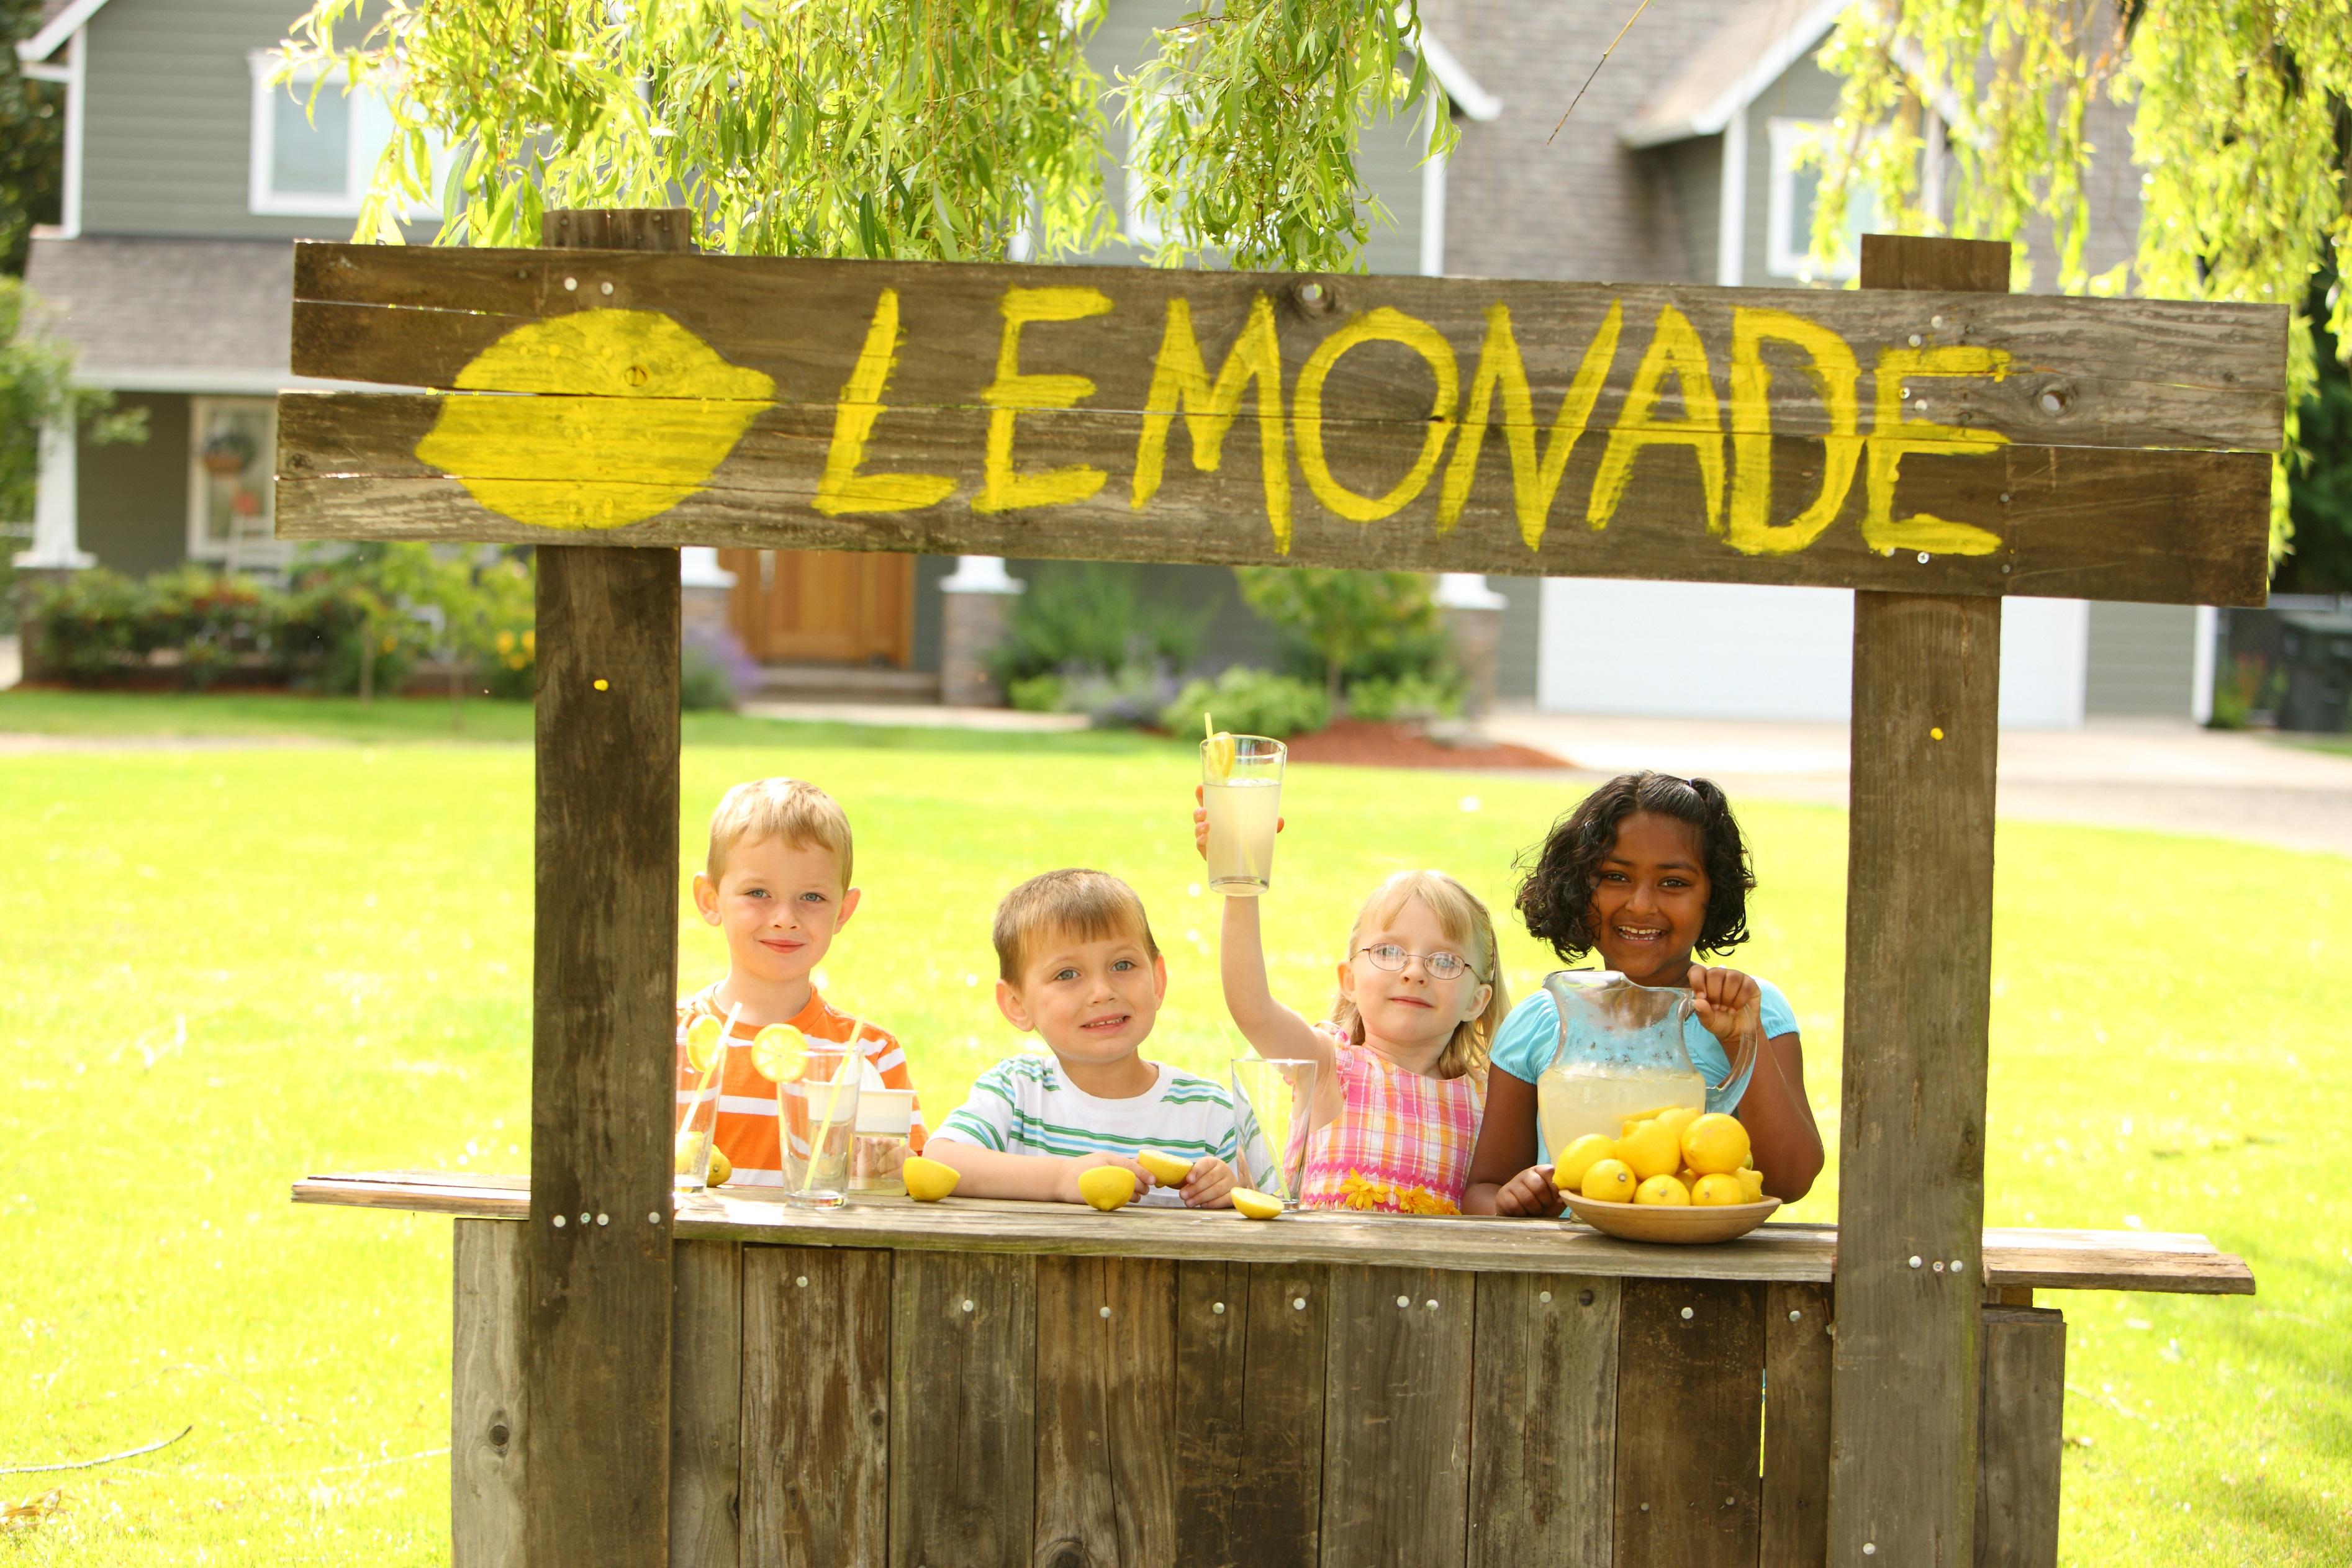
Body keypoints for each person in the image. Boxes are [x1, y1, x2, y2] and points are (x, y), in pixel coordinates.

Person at [1463, 772, 1823, 1215]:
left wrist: (1739, 1037)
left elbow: (1791, 1179)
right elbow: (1483, 1188)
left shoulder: (1750, 1010)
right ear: (1579, 887)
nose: (1640, 905)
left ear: (1714, 895)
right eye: (1615, 876)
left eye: (1673, 883)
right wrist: (1510, 1203)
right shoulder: (1541, 1022)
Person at [1203, 786, 1506, 1213]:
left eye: (1444, 961)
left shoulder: (1486, 1098)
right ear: (1348, 980)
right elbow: (1252, 1007)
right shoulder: (1328, 1068)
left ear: (1477, 1000)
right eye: (1388, 952)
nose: (1413, 972)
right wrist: (1240, 887)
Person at [926, 870, 1242, 1207]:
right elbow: (939, 1160)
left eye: (1122, 965)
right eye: (1067, 974)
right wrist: (1061, 1178)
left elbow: (1268, 1206)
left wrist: (1228, 1190)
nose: (1102, 993)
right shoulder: (1016, 1092)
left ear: (1157, 979)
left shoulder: (1210, 1113)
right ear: (1017, 1005)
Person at [676, 777, 926, 1187]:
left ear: (843, 912)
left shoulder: (868, 1053)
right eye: (758, 893)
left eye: (811, 897)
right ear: (710, 899)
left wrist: (891, 1170)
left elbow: (909, 1179)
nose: (784, 918)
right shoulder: (674, 1041)